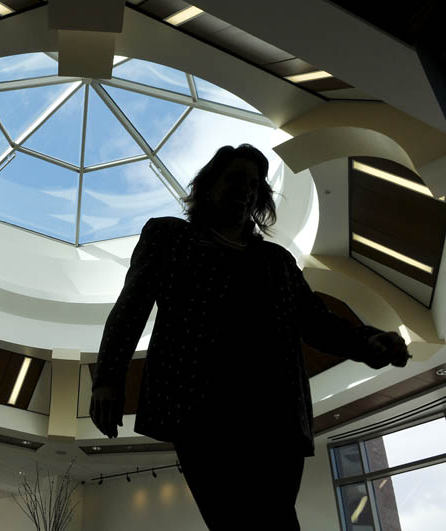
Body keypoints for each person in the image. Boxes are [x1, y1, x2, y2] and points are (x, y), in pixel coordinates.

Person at [90, 144, 410, 530]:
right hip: (200, 410)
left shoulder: (276, 262)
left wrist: (367, 343)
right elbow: (132, 304)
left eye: (255, 184)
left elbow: (316, 322)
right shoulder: (170, 237)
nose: (246, 189)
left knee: (271, 518)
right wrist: (108, 378)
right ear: (209, 186)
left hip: (273, 414)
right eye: (236, 179)